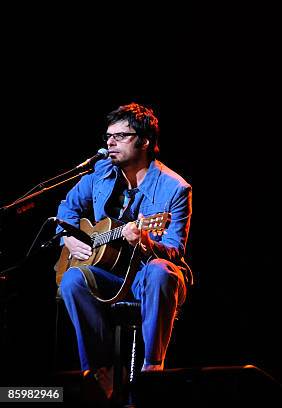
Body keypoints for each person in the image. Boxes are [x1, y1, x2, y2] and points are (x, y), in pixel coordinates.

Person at [57, 102, 192, 398]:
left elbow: (174, 251)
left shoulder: (175, 188)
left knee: (160, 270)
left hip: (150, 279)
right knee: (72, 280)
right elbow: (67, 209)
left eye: (120, 136)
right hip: (112, 275)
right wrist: (66, 238)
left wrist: (145, 242)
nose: (110, 142)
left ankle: (152, 370)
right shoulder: (101, 173)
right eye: (108, 136)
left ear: (144, 141)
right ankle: (100, 371)